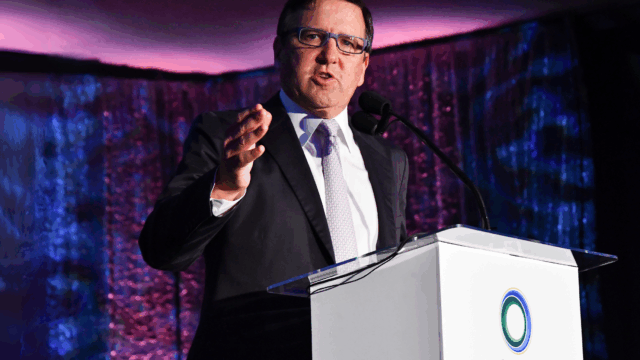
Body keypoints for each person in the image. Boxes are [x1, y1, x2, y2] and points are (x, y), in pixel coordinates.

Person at [138, 0, 409, 358]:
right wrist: (225, 184)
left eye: (349, 43)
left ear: (363, 66)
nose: (330, 55)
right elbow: (162, 250)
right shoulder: (228, 136)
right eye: (312, 36)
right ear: (280, 50)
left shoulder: (388, 160)